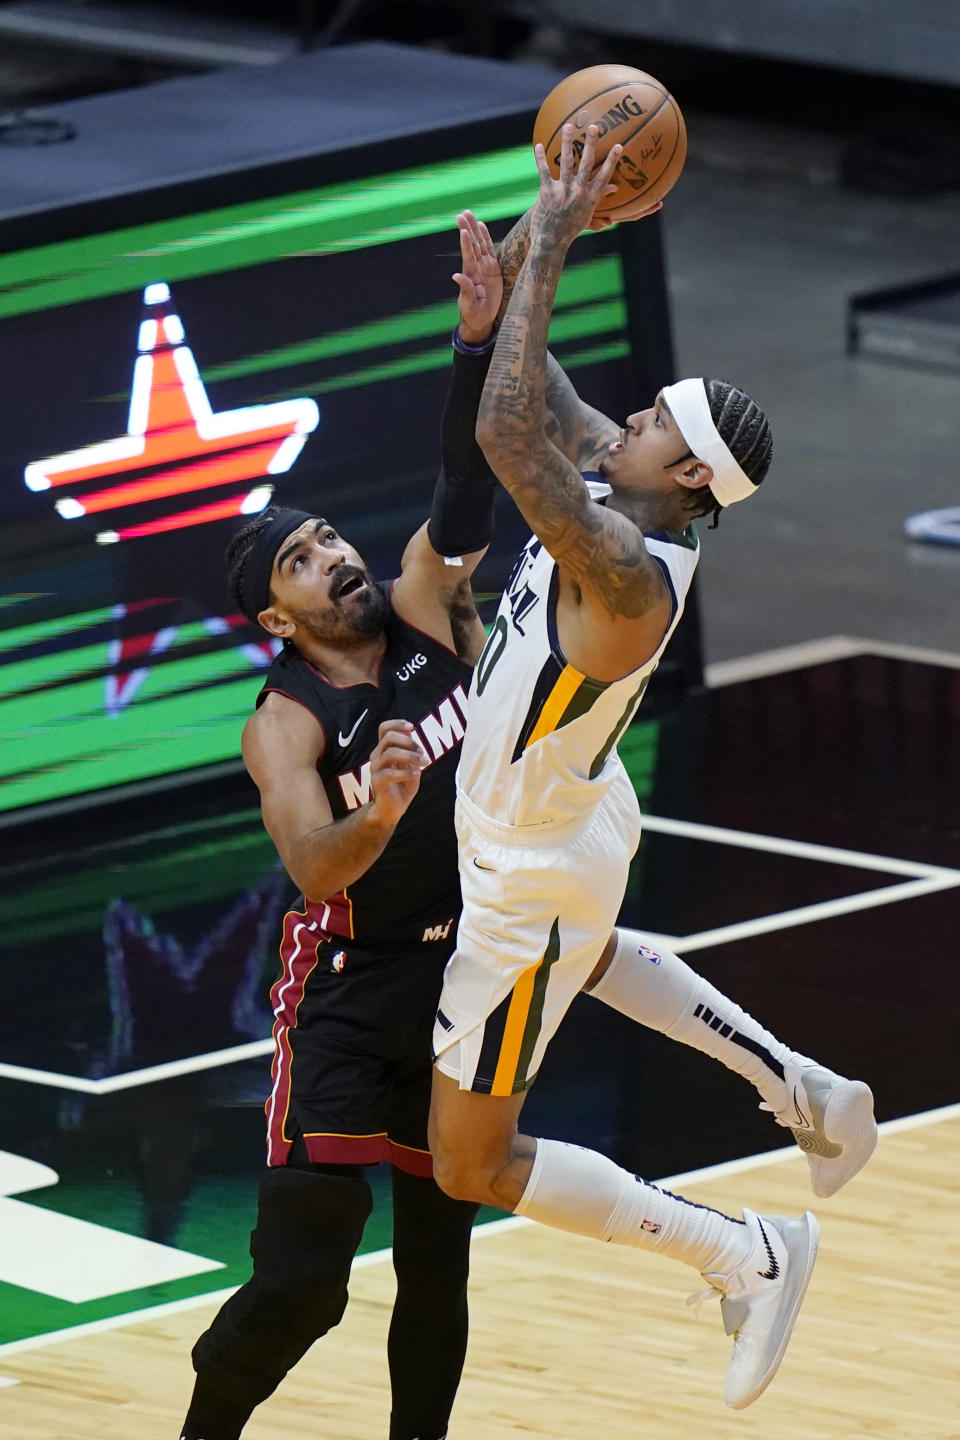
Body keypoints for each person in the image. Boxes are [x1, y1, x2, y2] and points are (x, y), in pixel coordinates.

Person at [428, 126, 877, 1412]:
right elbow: (522, 375)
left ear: (681, 475)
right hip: (570, 817)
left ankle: (744, 1251)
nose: (615, 422)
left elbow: (515, 432)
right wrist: (545, 225)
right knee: (600, 955)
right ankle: (805, 1090)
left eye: (640, 424)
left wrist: (564, 233)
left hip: (530, 863)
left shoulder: (627, 575)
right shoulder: (633, 498)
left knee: (471, 1160)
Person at [178, 215, 506, 1440]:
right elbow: (315, 866)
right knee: (308, 1278)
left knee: (441, 1259)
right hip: (351, 987)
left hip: (467, 965)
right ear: (277, 617)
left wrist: (475, 341)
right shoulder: (285, 722)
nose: (334, 559)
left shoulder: (426, 604)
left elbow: (460, 494)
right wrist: (384, 807)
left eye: (329, 539)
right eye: (304, 561)